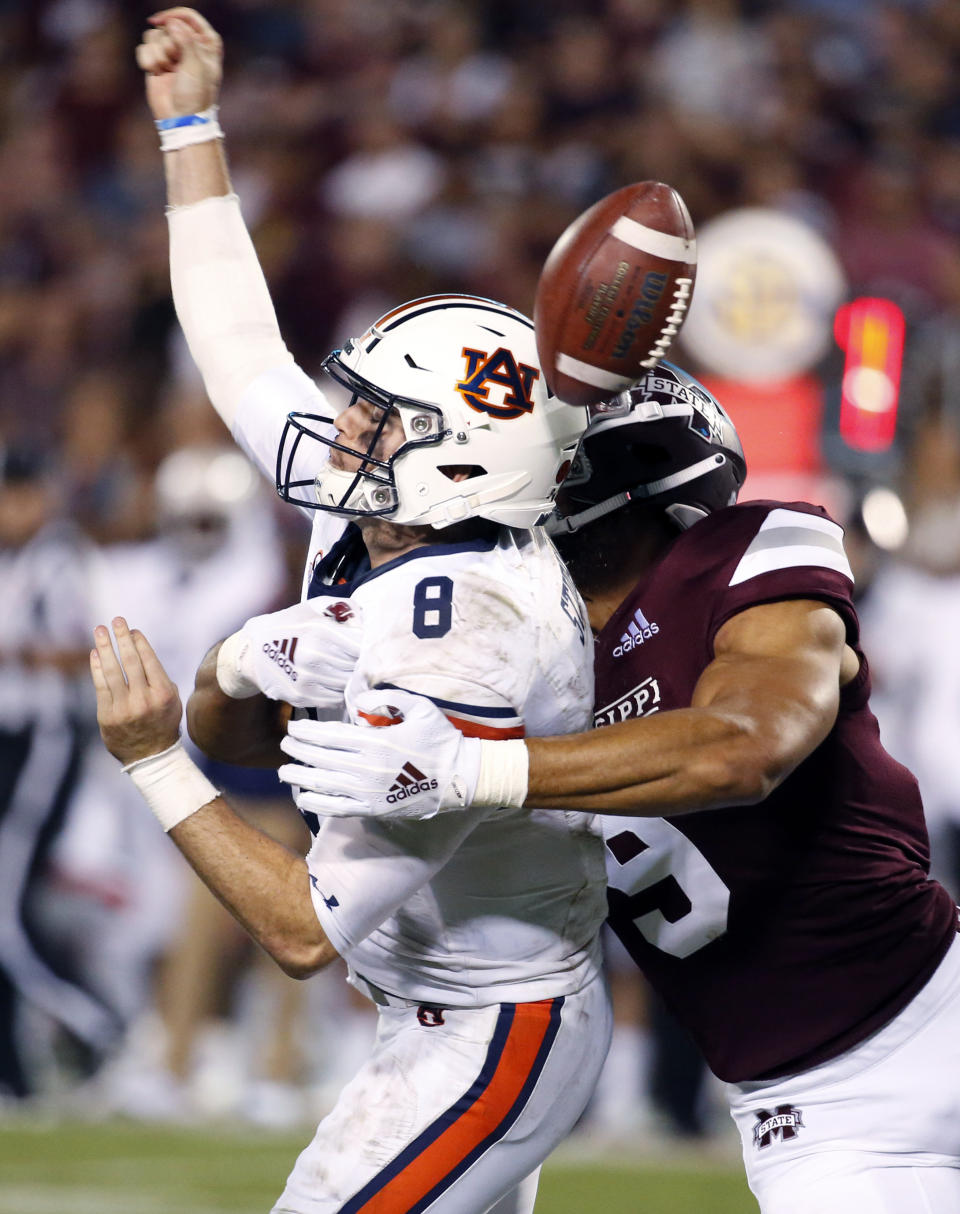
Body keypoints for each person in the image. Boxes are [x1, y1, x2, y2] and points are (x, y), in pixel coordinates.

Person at [118, 9, 611, 1211]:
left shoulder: (467, 631)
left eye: (379, 415)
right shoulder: (396, 507)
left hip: (491, 1030)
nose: (343, 429)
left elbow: (295, 928)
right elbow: (235, 339)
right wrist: (192, 123)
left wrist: (151, 758)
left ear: (454, 463)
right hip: (431, 1003)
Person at [282, 363, 960, 1214]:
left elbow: (745, 748)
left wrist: (469, 769)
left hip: (936, 1005)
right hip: (815, 1118)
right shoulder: (510, 642)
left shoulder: (742, 555)